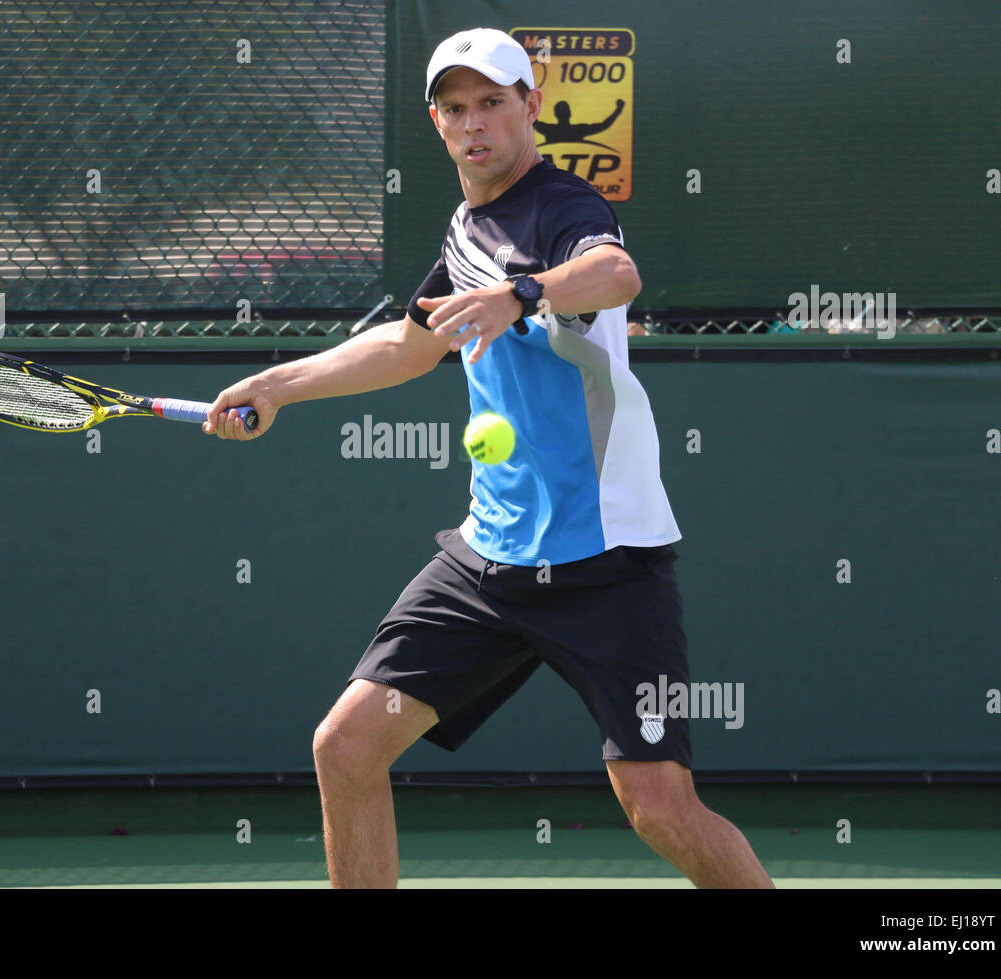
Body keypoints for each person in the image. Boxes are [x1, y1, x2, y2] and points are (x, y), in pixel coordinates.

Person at [202, 27, 773, 890]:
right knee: (346, 747)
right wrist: (277, 384)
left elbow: (617, 272)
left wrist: (523, 293)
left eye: (493, 103)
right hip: (487, 563)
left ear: (531, 107)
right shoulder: (466, 229)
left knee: (659, 804)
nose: (475, 124)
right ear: (438, 122)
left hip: (605, 562)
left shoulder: (563, 207)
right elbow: (407, 344)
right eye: (456, 108)